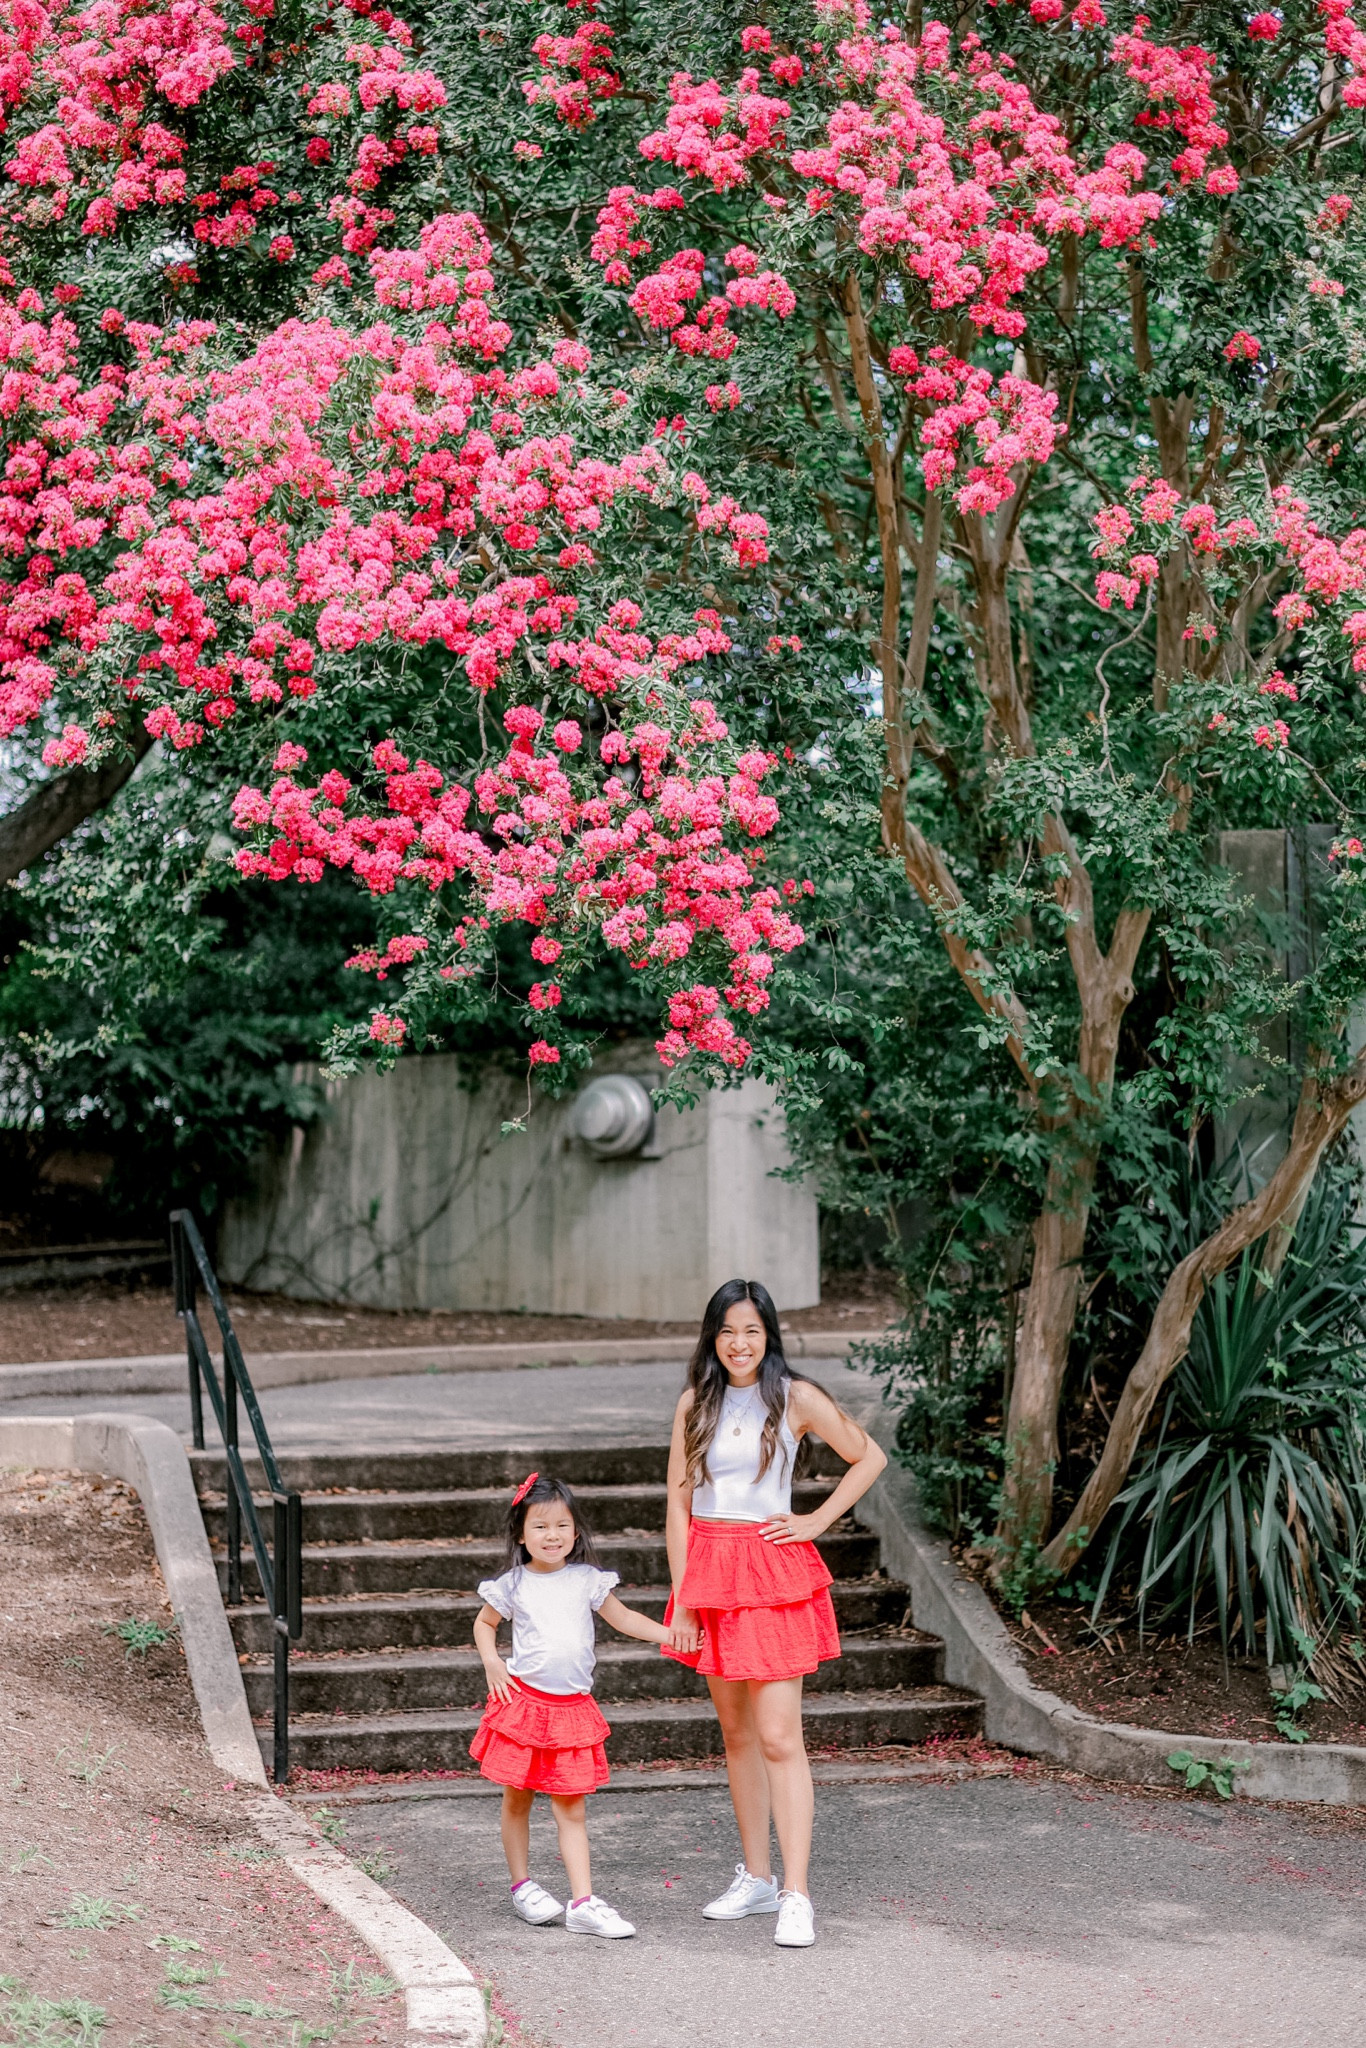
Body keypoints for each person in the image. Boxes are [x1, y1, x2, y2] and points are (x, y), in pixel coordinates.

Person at [663, 1277, 887, 1949]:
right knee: (735, 1737)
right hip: (710, 1571)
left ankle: (796, 1892)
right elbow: (677, 1505)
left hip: (769, 1570)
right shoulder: (692, 1405)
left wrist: (816, 1519)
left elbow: (868, 1455)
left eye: (752, 1330)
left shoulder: (795, 1397)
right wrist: (684, 1599)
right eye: (728, 1331)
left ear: (769, 1335)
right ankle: (757, 1879)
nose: (740, 1343)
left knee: (780, 1737)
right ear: (713, 1337)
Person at [471, 1471, 668, 1939]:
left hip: (571, 1710)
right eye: (539, 1526)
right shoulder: (513, 1584)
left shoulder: (587, 1580)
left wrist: (673, 1636)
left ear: (575, 1532)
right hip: (523, 1705)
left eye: (561, 1525)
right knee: (517, 1798)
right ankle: (523, 1887)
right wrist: (492, 1664)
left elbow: (625, 1620)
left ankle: (583, 1901)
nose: (552, 1535)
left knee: (571, 1808)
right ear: (521, 1534)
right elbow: (484, 1624)